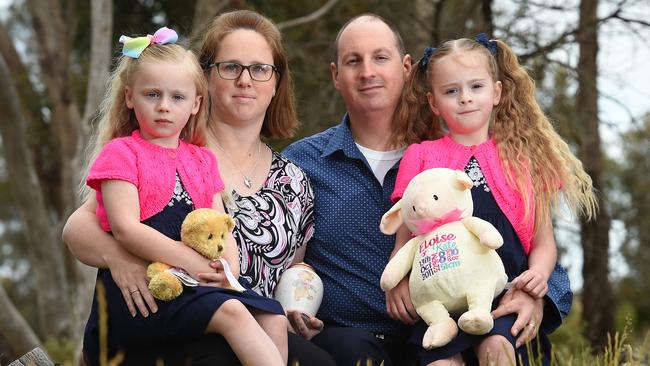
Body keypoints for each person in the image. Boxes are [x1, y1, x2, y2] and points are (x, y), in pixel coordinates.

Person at [283, 14, 575, 366]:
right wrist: (293, 303)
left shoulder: (450, 156)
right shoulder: (303, 163)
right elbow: (285, 257)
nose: (367, 72)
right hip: (367, 337)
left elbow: (531, 244)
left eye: (380, 57)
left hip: (482, 310)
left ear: (406, 67)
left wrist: (537, 296)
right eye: (353, 61)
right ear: (335, 75)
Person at [64, 12, 335, 366]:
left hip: (228, 299)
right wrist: (119, 256)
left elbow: (292, 266)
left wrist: (290, 298)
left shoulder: (293, 179)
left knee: (315, 356)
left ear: (277, 81)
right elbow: (83, 226)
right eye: (230, 67)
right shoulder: (151, 149)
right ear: (206, 79)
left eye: (260, 68)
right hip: (167, 300)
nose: (245, 80)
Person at [387, 34, 598, 365]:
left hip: (504, 294)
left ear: (496, 92)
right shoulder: (422, 156)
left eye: (476, 87)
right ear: (433, 102)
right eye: (451, 91)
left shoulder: (524, 158)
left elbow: (543, 242)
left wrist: (538, 277)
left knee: (497, 349)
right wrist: (397, 279)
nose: (465, 98)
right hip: (442, 301)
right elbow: (405, 232)